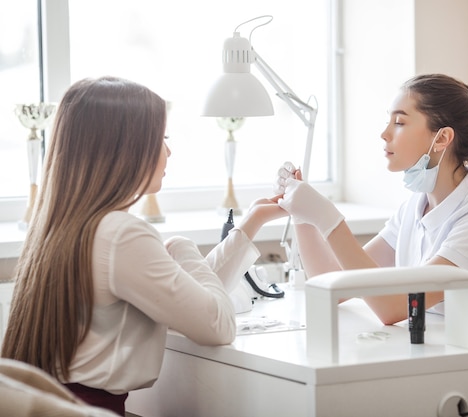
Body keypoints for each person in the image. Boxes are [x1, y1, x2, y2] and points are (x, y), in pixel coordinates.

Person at [1, 76, 287, 415]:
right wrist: (182, 248)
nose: (169, 150)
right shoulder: (121, 234)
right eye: (161, 137)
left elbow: (191, 303)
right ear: (124, 147)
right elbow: (218, 325)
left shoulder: (66, 225)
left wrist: (252, 222)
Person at [275, 73, 468, 328]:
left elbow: (394, 307)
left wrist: (328, 218)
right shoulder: (414, 208)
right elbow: (331, 282)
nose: (384, 134)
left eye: (399, 122)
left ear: (443, 138)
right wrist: (302, 214)